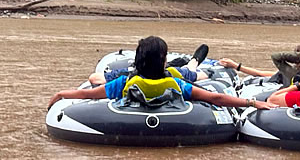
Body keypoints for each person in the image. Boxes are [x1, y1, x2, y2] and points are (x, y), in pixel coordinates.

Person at [48, 36, 278, 110]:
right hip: (179, 74)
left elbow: (89, 94)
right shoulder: (176, 83)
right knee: (197, 74)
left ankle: (194, 62)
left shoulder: (124, 83)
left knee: (192, 71)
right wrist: (251, 103)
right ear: (163, 61)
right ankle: (194, 63)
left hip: (154, 72)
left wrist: (61, 94)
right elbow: (215, 98)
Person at [89, 44, 210, 85]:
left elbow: (202, 76)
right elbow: (202, 76)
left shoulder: (173, 74)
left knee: (190, 67)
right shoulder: (128, 74)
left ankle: (194, 60)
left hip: (167, 70)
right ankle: (192, 61)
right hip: (159, 69)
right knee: (189, 69)